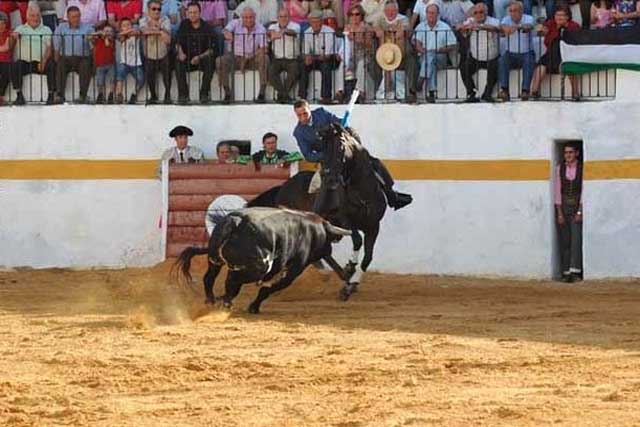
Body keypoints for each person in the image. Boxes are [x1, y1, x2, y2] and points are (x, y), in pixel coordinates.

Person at [292, 99, 412, 210]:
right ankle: (318, 215)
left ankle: (392, 196)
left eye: (305, 113)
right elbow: (308, 155)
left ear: (309, 110)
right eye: (299, 115)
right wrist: (326, 156)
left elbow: (341, 122)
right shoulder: (299, 132)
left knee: (375, 164)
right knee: (320, 188)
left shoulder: (321, 113)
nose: (303, 118)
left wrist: (343, 124)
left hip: (343, 152)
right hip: (328, 161)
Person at [218, 6, 269, 103]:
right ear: (242, 17)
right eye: (245, 17)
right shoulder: (235, 22)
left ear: (255, 17)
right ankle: (227, 93)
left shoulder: (261, 28)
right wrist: (227, 33)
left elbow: (264, 49)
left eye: (251, 17)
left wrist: (247, 58)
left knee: (265, 58)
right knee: (220, 61)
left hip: (252, 58)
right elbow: (225, 30)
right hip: (236, 58)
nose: (248, 20)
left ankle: (262, 93)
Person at [530, 7, 581, 101]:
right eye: (557, 15)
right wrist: (541, 29)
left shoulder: (574, 26)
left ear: (567, 17)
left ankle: (575, 93)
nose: (559, 17)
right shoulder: (550, 24)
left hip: (566, 54)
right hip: (551, 54)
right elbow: (541, 29)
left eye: (562, 15)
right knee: (540, 67)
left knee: (570, 67)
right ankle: (534, 92)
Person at [10, 3, 56, 105]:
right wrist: (14, 36)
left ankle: (51, 96)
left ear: (40, 16)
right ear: (27, 17)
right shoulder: (20, 29)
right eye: (32, 15)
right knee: (15, 66)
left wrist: (43, 61)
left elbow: (49, 48)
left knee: (52, 65)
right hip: (25, 63)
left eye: (37, 15)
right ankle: (19, 96)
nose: (35, 18)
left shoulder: (46, 29)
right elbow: (10, 44)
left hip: (40, 63)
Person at [413, 3, 457, 103]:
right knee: (430, 61)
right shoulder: (421, 26)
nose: (431, 15)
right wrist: (422, 50)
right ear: (426, 14)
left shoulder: (445, 27)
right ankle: (432, 93)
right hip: (424, 58)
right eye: (429, 13)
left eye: (433, 13)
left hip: (440, 58)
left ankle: (421, 78)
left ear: (438, 14)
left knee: (431, 56)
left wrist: (439, 50)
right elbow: (416, 43)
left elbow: (453, 45)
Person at [458, 3, 500, 103]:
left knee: (495, 68)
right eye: (475, 13)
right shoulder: (471, 20)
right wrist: (464, 27)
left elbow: (495, 28)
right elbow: (459, 27)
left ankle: (487, 94)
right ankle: (472, 93)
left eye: (481, 12)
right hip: (476, 57)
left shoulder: (494, 20)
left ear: (486, 12)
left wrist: (479, 26)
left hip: (492, 57)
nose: (478, 14)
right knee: (464, 68)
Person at [176, 1, 216, 104]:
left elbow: (212, 49)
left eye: (195, 12)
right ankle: (183, 95)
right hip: (187, 58)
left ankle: (204, 94)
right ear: (187, 13)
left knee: (210, 61)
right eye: (190, 12)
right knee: (178, 61)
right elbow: (177, 42)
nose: (193, 15)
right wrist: (180, 52)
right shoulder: (184, 24)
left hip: (201, 59)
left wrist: (200, 57)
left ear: (200, 13)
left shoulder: (206, 27)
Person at [53, 5, 94, 103]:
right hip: (66, 58)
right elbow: (57, 47)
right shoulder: (61, 28)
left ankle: (83, 96)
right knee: (60, 65)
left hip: (83, 58)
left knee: (85, 65)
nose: (76, 19)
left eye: (78, 16)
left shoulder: (88, 28)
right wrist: (56, 61)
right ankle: (59, 95)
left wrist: (95, 63)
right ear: (68, 18)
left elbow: (93, 47)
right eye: (73, 17)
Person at [555, 142, 583, 283]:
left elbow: (583, 190)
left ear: (576, 153)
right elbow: (558, 192)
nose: (568, 155)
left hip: (576, 207)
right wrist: (559, 213)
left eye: (571, 152)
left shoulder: (581, 168)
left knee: (576, 240)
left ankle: (575, 272)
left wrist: (580, 211)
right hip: (564, 208)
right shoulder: (560, 169)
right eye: (566, 153)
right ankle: (566, 273)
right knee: (565, 241)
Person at [299, 9, 341, 104]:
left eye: (316, 21)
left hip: (330, 58)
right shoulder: (307, 32)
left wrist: (311, 57)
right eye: (312, 22)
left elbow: (326, 55)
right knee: (303, 65)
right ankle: (302, 96)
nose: (314, 24)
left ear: (321, 22)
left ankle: (326, 97)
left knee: (325, 66)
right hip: (316, 57)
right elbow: (306, 51)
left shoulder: (329, 31)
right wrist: (307, 58)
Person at [497, 0, 535, 102]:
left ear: (521, 11)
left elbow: (529, 26)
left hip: (526, 52)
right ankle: (504, 90)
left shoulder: (528, 18)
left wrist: (517, 27)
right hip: (511, 54)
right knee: (502, 60)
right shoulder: (506, 18)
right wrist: (506, 28)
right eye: (511, 11)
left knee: (529, 60)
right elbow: (503, 27)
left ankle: (525, 91)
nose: (513, 13)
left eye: (515, 11)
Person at [140, 0, 172, 104]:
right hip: (149, 53)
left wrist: (154, 29)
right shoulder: (143, 20)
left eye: (159, 9)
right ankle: (153, 96)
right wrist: (160, 31)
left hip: (163, 52)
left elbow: (168, 39)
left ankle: (168, 95)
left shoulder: (165, 19)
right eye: (154, 9)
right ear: (148, 10)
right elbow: (144, 31)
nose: (157, 11)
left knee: (167, 74)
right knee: (149, 74)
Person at [267, 8, 301, 103]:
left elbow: (293, 32)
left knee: (294, 71)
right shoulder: (272, 27)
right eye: (281, 16)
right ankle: (284, 95)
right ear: (277, 18)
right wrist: (271, 34)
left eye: (285, 16)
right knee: (271, 73)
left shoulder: (295, 26)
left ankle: (281, 95)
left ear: (289, 17)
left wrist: (282, 31)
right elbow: (268, 34)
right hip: (277, 59)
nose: (283, 19)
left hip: (292, 59)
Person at [89, 23, 116, 104]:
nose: (107, 32)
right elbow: (90, 37)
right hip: (100, 64)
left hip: (110, 63)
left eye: (109, 31)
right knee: (100, 81)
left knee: (112, 79)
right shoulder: (98, 39)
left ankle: (111, 94)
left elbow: (108, 44)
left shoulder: (112, 40)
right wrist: (98, 33)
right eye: (106, 31)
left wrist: (105, 37)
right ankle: (100, 95)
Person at [0, 12, 10, 106]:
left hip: (5, 61)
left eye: (3, 23)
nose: (1, 26)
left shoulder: (8, 33)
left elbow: (6, 47)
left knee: (6, 72)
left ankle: (1, 97)